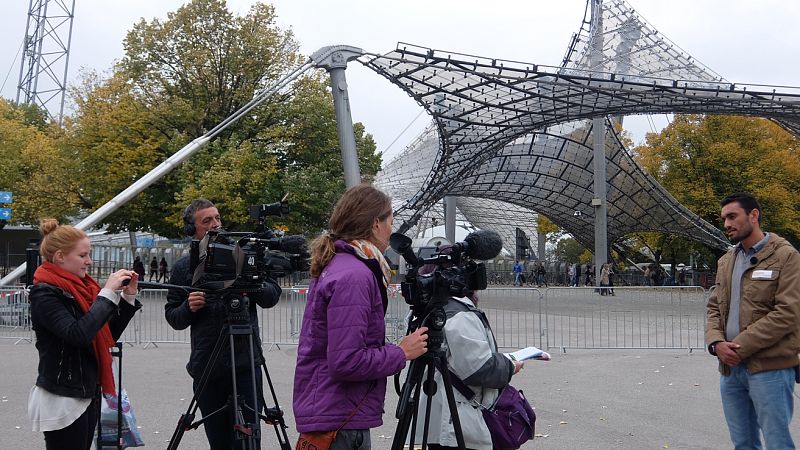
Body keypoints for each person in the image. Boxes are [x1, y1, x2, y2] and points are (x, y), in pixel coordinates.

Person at [293, 184, 429, 449]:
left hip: (333, 410)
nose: (392, 230)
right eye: (390, 221)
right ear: (375, 224)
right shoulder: (355, 275)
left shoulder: (342, 264)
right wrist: (401, 352)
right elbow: (346, 361)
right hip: (339, 418)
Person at [165, 198, 282, 450]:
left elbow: (272, 296)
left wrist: (251, 284)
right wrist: (188, 307)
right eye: (207, 221)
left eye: (217, 218)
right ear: (191, 229)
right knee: (219, 442)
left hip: (246, 364)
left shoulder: (244, 255)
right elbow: (173, 317)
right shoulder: (185, 267)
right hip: (208, 366)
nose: (215, 224)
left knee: (250, 442)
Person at [27, 219, 141, 450]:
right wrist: (107, 293)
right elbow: (78, 334)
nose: (89, 261)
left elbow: (104, 334)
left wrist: (127, 298)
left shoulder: (83, 287)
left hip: (88, 389)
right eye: (83, 256)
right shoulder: (44, 292)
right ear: (60, 256)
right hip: (63, 395)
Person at [706, 192, 800, 450]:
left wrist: (737, 346)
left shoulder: (786, 256)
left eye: (732, 216)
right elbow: (714, 308)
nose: (726, 224)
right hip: (731, 370)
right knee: (743, 444)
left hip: (769, 368)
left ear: (754, 216)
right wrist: (716, 343)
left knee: (777, 443)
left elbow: (788, 312)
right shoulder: (726, 261)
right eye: (724, 218)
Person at [413, 246, 524, 449]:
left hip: (435, 417)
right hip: (458, 422)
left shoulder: (425, 310)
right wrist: (509, 365)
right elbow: (480, 369)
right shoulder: (459, 314)